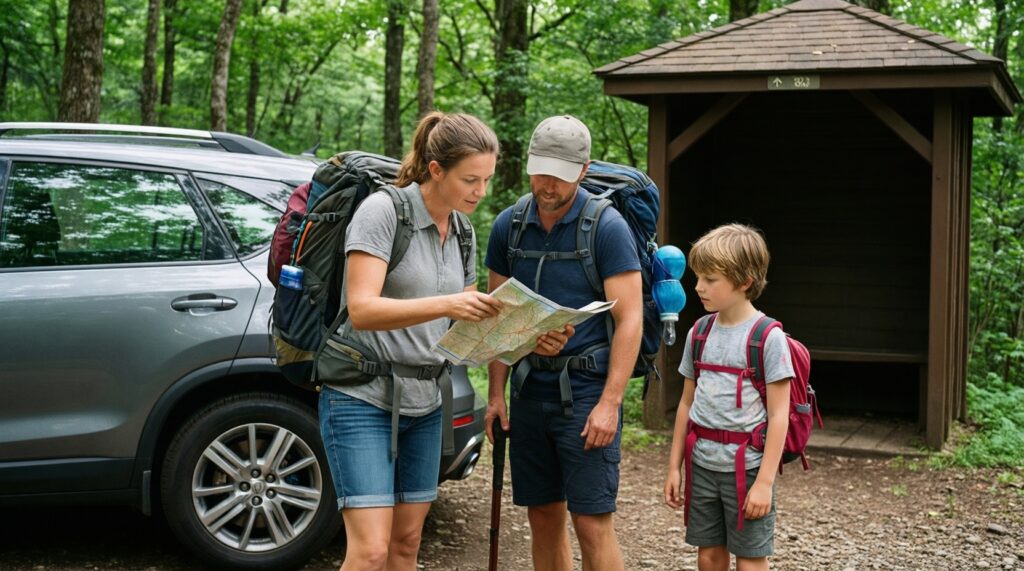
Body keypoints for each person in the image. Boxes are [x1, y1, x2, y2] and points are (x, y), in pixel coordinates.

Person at [319, 111, 503, 571]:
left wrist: (521, 328)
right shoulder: (383, 212)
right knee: (370, 552)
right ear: (436, 169)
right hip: (361, 398)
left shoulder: (462, 229)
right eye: (470, 180)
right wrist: (449, 304)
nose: (480, 192)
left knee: (406, 544)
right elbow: (362, 309)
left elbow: (460, 316)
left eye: (486, 180)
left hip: (426, 401)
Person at [485, 115, 643, 571]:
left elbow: (628, 318)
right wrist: (496, 395)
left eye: (560, 172)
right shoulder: (509, 226)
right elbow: (499, 316)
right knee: (543, 516)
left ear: (584, 169)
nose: (547, 183)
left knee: (592, 522)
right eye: (540, 169)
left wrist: (612, 402)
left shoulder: (607, 228)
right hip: (529, 390)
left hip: (587, 392)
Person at [663, 223, 794, 571]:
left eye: (709, 279)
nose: (697, 286)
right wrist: (674, 466)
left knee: (750, 560)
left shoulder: (768, 338)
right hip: (702, 465)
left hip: (748, 469)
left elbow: (780, 415)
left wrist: (765, 483)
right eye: (698, 277)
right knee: (708, 557)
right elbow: (686, 404)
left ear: (744, 281)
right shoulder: (700, 332)